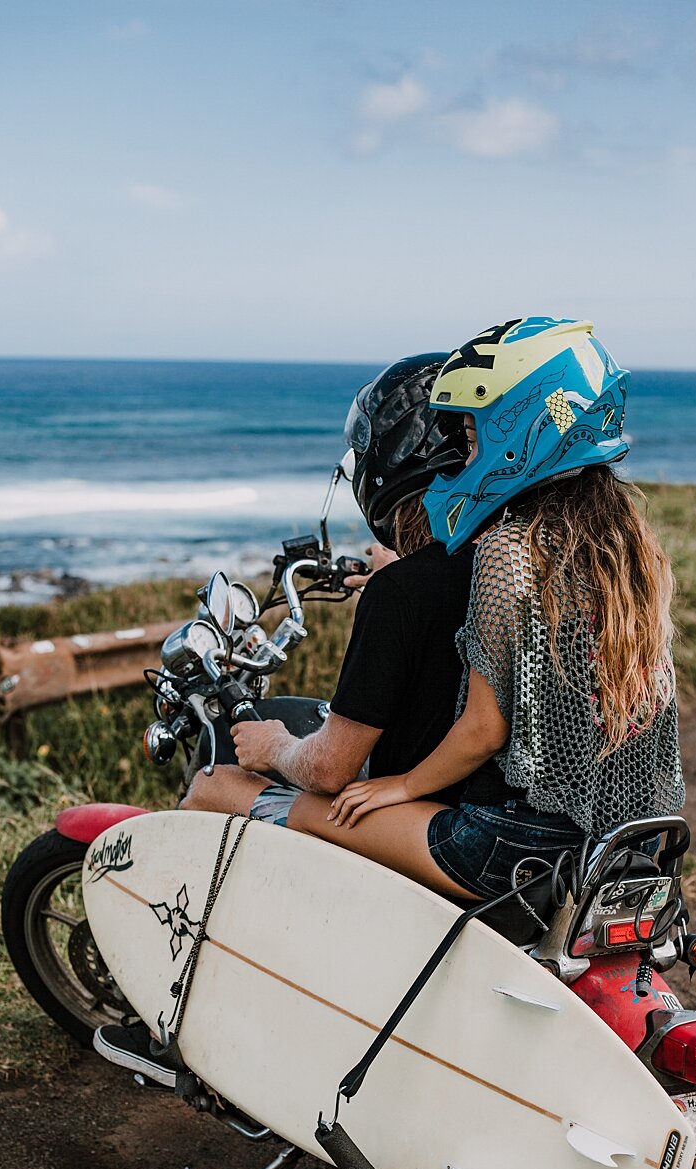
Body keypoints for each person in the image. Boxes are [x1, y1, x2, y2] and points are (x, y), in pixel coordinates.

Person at [92, 351, 520, 1080]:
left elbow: (330, 766)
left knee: (215, 792)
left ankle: (177, 1027)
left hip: (449, 827)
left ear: (386, 469)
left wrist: (271, 746)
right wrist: (399, 572)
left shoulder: (401, 597)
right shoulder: (511, 562)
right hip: (522, 819)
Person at [284, 316, 685, 900]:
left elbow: (484, 728)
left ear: (519, 429)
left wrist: (401, 787)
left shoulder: (509, 547)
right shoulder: (625, 542)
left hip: (512, 844)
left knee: (308, 814)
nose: (466, 453)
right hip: (628, 840)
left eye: (473, 436)